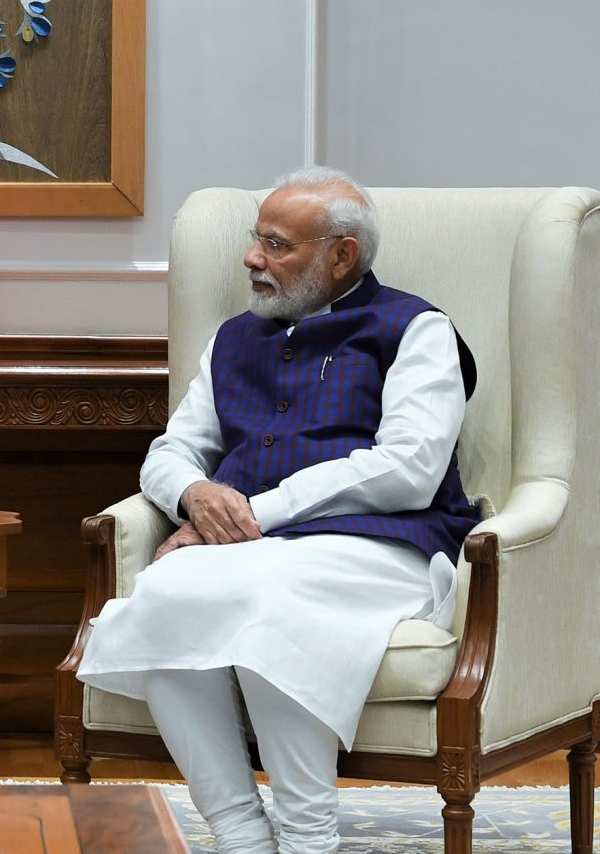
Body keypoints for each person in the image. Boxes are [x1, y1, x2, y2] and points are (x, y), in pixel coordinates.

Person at [76, 166, 480, 854]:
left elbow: (409, 469)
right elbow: (173, 449)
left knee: (272, 596)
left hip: (382, 546)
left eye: (276, 244)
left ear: (341, 256)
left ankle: (304, 835)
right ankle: (238, 833)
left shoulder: (413, 329)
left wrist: (255, 514)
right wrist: (192, 495)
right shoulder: (234, 337)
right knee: (165, 588)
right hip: (249, 551)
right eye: (254, 239)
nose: (251, 259)